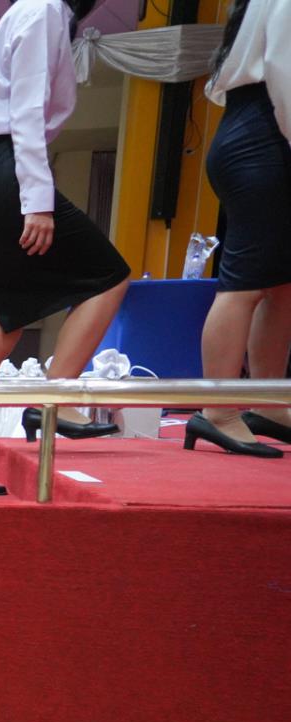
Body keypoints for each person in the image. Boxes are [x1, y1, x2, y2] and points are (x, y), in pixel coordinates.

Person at [0, 0, 131, 492]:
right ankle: (55, 396)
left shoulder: (33, 11)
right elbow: (27, 113)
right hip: (7, 175)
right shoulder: (43, 10)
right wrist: (37, 200)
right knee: (110, 276)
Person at [192, 0, 290, 456]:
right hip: (264, 132)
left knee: (281, 284)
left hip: (256, 127)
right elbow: (284, 71)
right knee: (244, 284)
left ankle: (269, 402)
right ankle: (218, 409)